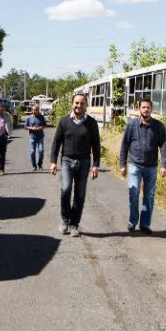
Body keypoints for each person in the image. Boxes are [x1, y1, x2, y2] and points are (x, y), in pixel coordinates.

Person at [49, 93, 101, 237]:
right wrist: (53, 161)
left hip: (84, 162)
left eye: (82, 103)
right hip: (66, 160)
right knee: (65, 190)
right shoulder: (64, 121)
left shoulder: (91, 123)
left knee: (80, 194)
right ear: (72, 104)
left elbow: (96, 145)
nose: (79, 106)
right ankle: (65, 220)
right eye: (76, 103)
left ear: (86, 105)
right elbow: (56, 142)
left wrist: (96, 165)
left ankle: (74, 225)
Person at [119, 98, 166, 234]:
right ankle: (132, 221)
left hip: (151, 167)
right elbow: (124, 145)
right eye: (143, 107)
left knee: (149, 196)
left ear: (151, 110)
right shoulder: (132, 125)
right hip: (135, 165)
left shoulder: (158, 126)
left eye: (148, 107)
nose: (146, 109)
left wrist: (164, 165)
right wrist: (122, 164)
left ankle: (145, 224)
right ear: (139, 109)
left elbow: (164, 146)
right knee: (134, 193)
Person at [25, 104, 47, 172]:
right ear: (32, 110)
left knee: (41, 151)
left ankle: (40, 164)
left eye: (36, 110)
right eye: (34, 110)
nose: (35, 111)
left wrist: (40, 127)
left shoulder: (41, 117)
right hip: (32, 136)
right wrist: (32, 128)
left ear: (38, 110)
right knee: (32, 152)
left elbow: (44, 125)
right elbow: (25, 127)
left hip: (40, 136)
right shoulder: (29, 118)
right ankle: (34, 166)